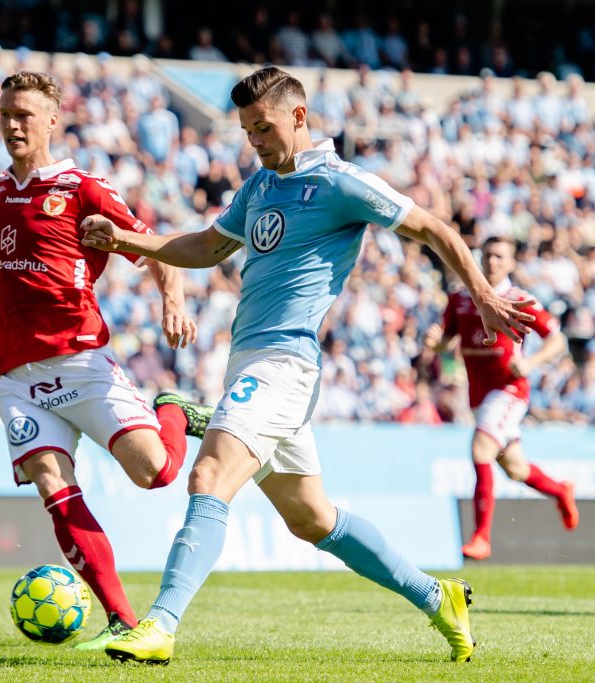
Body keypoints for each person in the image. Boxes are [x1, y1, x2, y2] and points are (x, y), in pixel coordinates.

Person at [81, 66, 538, 665]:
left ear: (298, 117)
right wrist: (126, 240)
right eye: (247, 131)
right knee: (313, 520)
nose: (256, 142)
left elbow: (431, 227)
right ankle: (438, 596)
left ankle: (160, 625)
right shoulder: (259, 186)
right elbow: (206, 247)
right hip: (251, 360)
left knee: (209, 475)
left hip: (284, 364)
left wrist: (479, 293)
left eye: (263, 128)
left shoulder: (340, 183)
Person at [0, 71, 210, 650]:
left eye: (24, 114)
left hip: (82, 363)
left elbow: (155, 247)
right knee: (54, 489)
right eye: (5, 113)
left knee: (156, 474)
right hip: (15, 380)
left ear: (52, 120)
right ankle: (124, 623)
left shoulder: (82, 188)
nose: (12, 124)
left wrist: (171, 297)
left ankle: (171, 409)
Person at [425, 236, 578, 561]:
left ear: (510, 263)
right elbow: (445, 340)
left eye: (499, 257)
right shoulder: (460, 298)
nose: (492, 262)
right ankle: (560, 489)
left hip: (509, 390)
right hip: (479, 396)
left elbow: (557, 340)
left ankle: (481, 537)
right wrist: (436, 341)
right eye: (488, 255)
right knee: (516, 468)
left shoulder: (519, 299)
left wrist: (530, 363)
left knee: (480, 448)